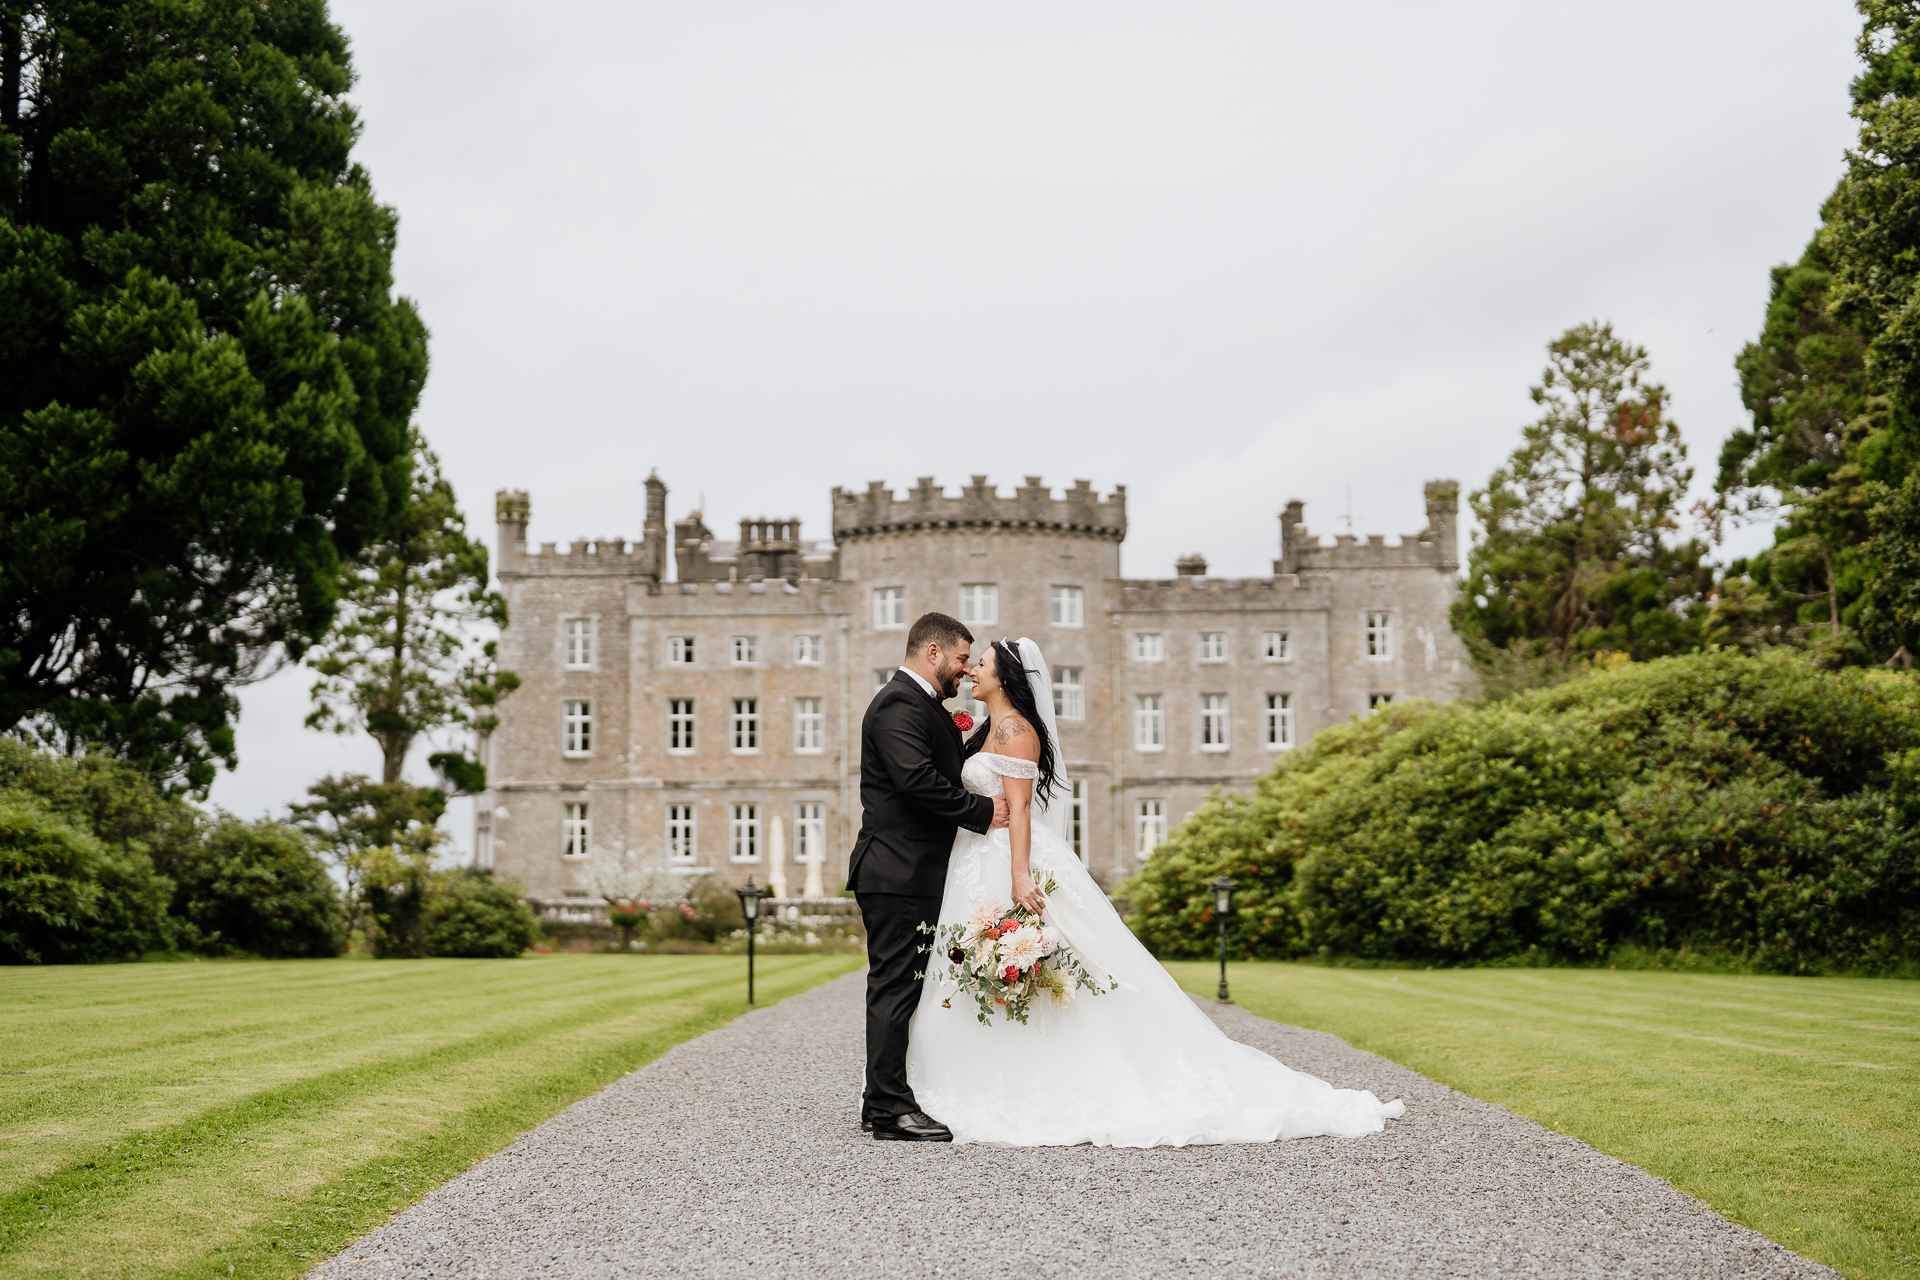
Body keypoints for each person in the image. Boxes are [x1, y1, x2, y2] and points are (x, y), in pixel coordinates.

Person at [903, 636, 1407, 1146]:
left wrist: (1018, 875)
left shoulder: (1016, 731)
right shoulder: (989, 728)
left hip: (1005, 861)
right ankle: (981, 1074)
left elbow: (1023, 811)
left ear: (1005, 678)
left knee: (1048, 968)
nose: (972, 672)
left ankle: (1033, 1080)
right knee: (973, 968)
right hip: (972, 861)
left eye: (981, 665)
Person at [847, 612, 1008, 1141]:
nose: (964, 670)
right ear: (933, 652)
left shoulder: (922, 707)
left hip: (910, 869)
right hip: (896, 869)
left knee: (903, 987)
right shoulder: (897, 702)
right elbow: (916, 781)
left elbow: (938, 768)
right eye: (962, 658)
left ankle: (880, 1101)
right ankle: (892, 1110)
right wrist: (985, 813)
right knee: (895, 987)